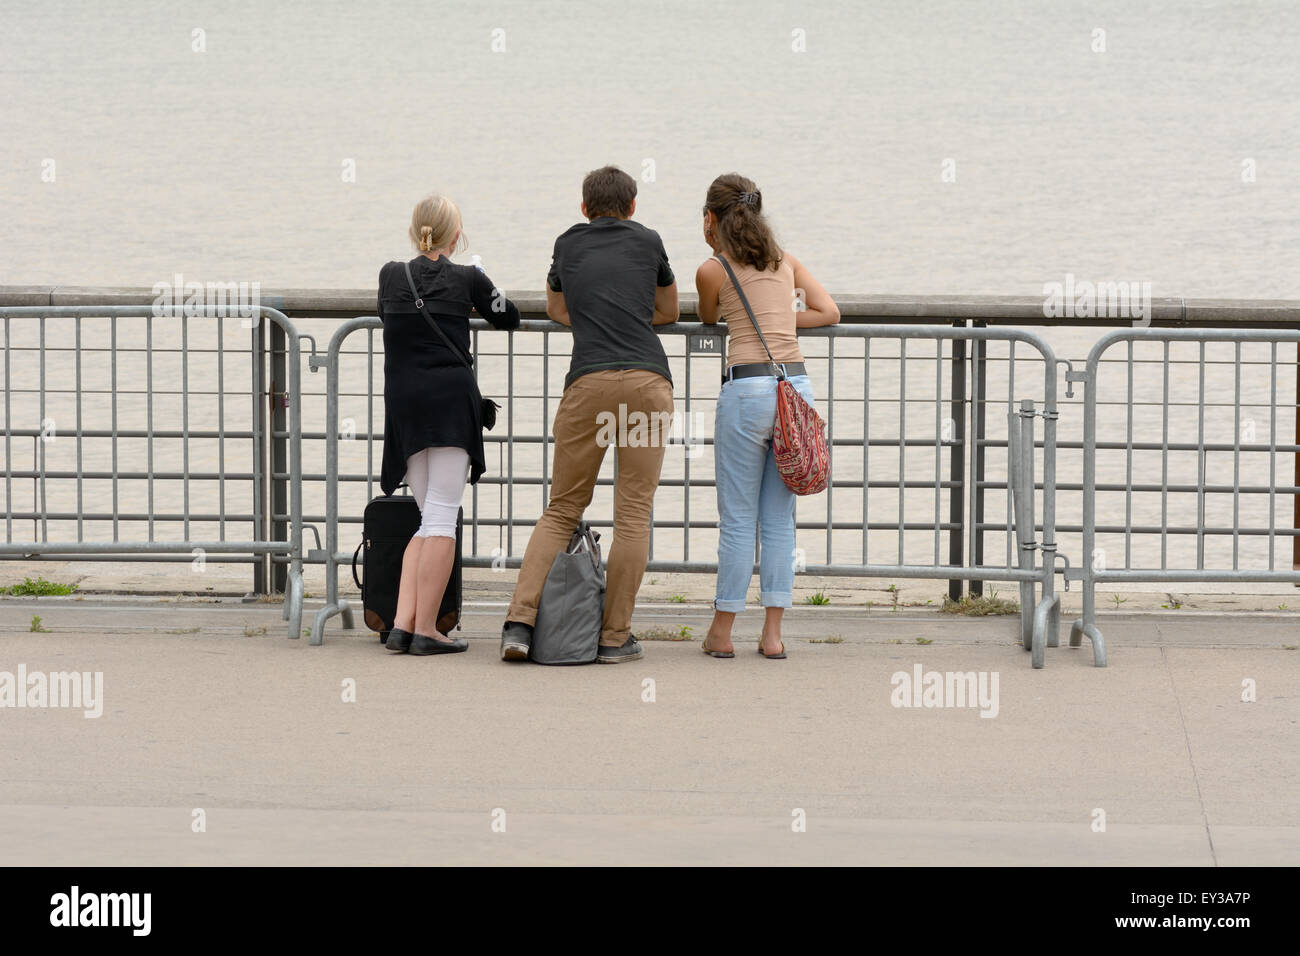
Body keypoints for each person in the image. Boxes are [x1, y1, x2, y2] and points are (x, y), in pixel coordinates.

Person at [500, 166, 678, 663]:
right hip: (647, 381)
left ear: (584, 208)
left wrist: (594, 314)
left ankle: (519, 623)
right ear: (632, 207)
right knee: (634, 512)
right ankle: (614, 636)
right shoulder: (649, 242)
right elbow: (669, 310)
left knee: (562, 509)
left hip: (588, 383)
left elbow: (558, 310)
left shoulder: (567, 244)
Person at [694, 173, 840, 659]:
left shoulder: (713, 268)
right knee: (779, 521)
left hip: (749, 387)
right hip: (795, 385)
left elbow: (709, 318)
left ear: (712, 219)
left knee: (738, 519)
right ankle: (773, 635)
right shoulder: (785, 262)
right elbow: (830, 312)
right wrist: (782, 315)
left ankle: (721, 632)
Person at [378, 193, 520, 655]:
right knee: (441, 519)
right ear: (457, 236)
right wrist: (476, 292)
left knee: (428, 518)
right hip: (450, 405)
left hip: (405, 406)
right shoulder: (468, 278)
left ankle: (402, 624)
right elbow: (509, 317)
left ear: (412, 230)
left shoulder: (390, 275)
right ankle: (425, 630)